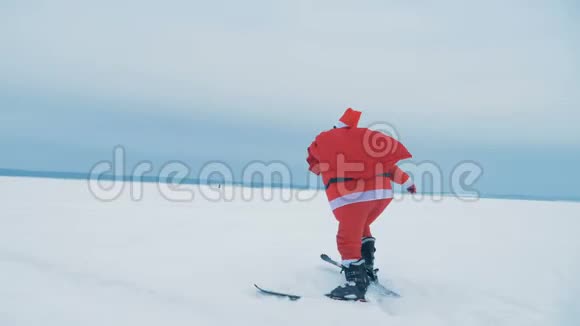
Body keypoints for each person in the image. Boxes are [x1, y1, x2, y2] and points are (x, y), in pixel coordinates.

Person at [306, 108, 416, 301]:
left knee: (348, 236)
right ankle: (366, 267)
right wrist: (407, 181)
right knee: (361, 229)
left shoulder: (329, 143)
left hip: (353, 197)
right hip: (381, 196)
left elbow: (314, 159)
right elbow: (388, 165)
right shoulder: (364, 146)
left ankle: (355, 284)